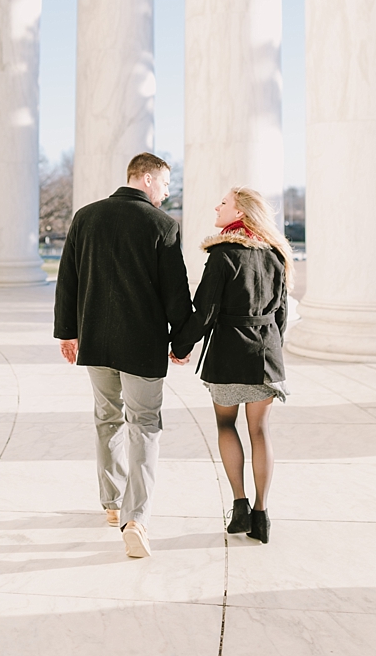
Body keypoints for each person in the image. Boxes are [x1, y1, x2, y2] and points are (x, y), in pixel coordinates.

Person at [54, 152, 192, 559]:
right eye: (165, 184)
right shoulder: (163, 226)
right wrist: (182, 343)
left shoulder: (86, 216)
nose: (167, 193)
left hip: (95, 341)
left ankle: (112, 505)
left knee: (107, 418)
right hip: (142, 346)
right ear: (146, 179)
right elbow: (176, 292)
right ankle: (137, 519)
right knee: (145, 424)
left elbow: (68, 279)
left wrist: (68, 333)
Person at [172, 186, 292, 546]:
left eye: (223, 203)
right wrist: (272, 349)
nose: (216, 206)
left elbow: (204, 313)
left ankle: (239, 506)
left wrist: (180, 346)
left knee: (227, 424)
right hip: (266, 354)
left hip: (228, 354)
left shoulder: (223, 255)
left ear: (240, 212)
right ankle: (262, 514)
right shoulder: (275, 255)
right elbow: (281, 314)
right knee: (261, 432)